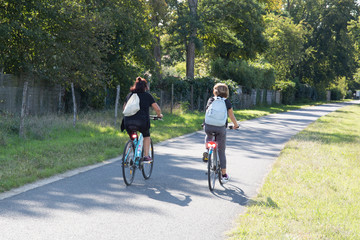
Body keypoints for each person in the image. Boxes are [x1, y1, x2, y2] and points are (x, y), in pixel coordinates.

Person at [203, 83, 239, 184]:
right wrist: (235, 125)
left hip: (208, 126)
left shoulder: (211, 100)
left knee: (208, 136)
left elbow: (207, 113)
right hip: (220, 128)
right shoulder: (227, 102)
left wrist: (204, 124)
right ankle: (223, 175)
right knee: (221, 150)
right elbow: (231, 116)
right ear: (226, 92)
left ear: (215, 91)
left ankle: (207, 150)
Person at [122, 77, 163, 162]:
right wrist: (159, 115)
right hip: (142, 122)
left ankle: (128, 156)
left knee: (133, 138)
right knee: (146, 136)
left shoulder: (129, 95)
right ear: (145, 87)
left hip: (127, 122)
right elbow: (157, 109)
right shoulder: (147, 96)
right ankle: (146, 156)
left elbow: (124, 108)